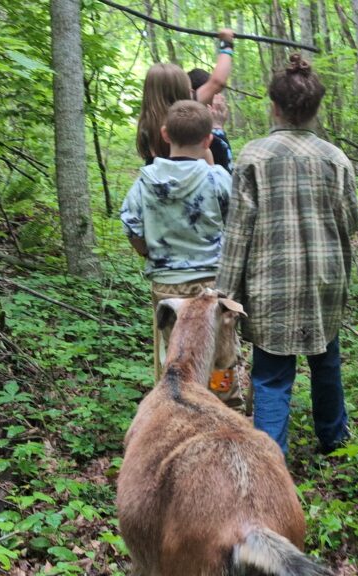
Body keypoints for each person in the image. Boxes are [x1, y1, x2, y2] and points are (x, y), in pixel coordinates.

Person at [217, 54, 358, 456]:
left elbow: (238, 231)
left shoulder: (253, 156)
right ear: (316, 108)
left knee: (272, 376)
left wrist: (224, 293)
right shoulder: (335, 158)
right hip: (324, 282)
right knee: (325, 363)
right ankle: (335, 440)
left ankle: (271, 457)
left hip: (270, 283)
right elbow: (350, 220)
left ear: (274, 106)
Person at [120, 100, 242, 408]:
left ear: (164, 134)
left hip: (166, 285)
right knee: (220, 353)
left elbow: (131, 225)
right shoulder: (217, 179)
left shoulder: (144, 182)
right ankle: (225, 406)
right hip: (212, 285)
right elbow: (236, 224)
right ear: (208, 140)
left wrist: (148, 251)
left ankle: (175, 408)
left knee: (173, 356)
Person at [136, 29, 234, 165]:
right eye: (187, 88)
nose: (191, 91)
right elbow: (218, 82)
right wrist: (226, 43)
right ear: (178, 91)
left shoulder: (146, 124)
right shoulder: (184, 112)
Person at [189, 67, 234, 173]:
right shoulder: (200, 138)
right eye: (214, 96)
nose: (218, 103)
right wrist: (217, 129)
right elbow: (226, 174)